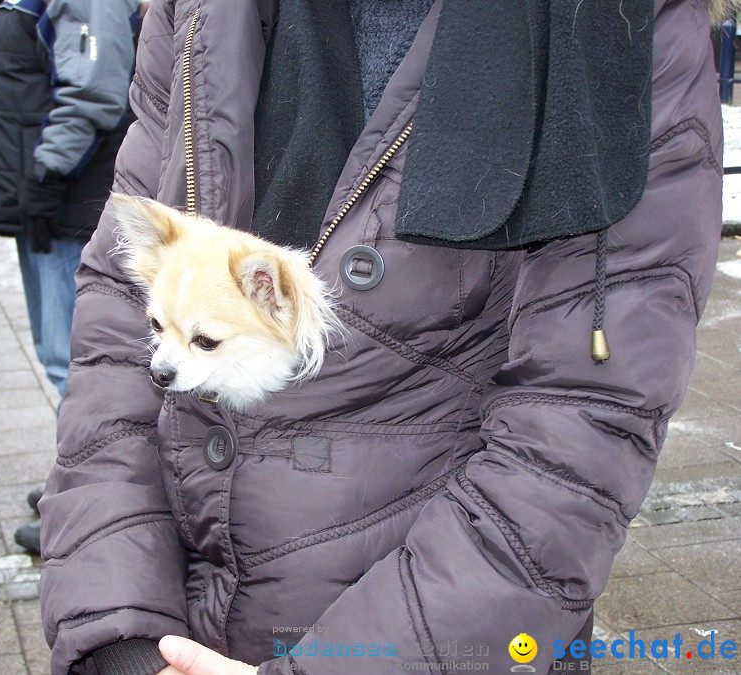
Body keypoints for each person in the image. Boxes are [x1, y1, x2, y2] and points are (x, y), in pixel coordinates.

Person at [39, 1, 725, 673]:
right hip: (186, 621)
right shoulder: (197, 10)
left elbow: (579, 431)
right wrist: (123, 631)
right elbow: (116, 331)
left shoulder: (618, 17)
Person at [0, 0, 140, 554]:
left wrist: (48, 171)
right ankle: (72, 482)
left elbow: (93, 88)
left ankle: (89, 506)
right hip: (50, 198)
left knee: (80, 363)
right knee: (60, 355)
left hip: (66, 197)